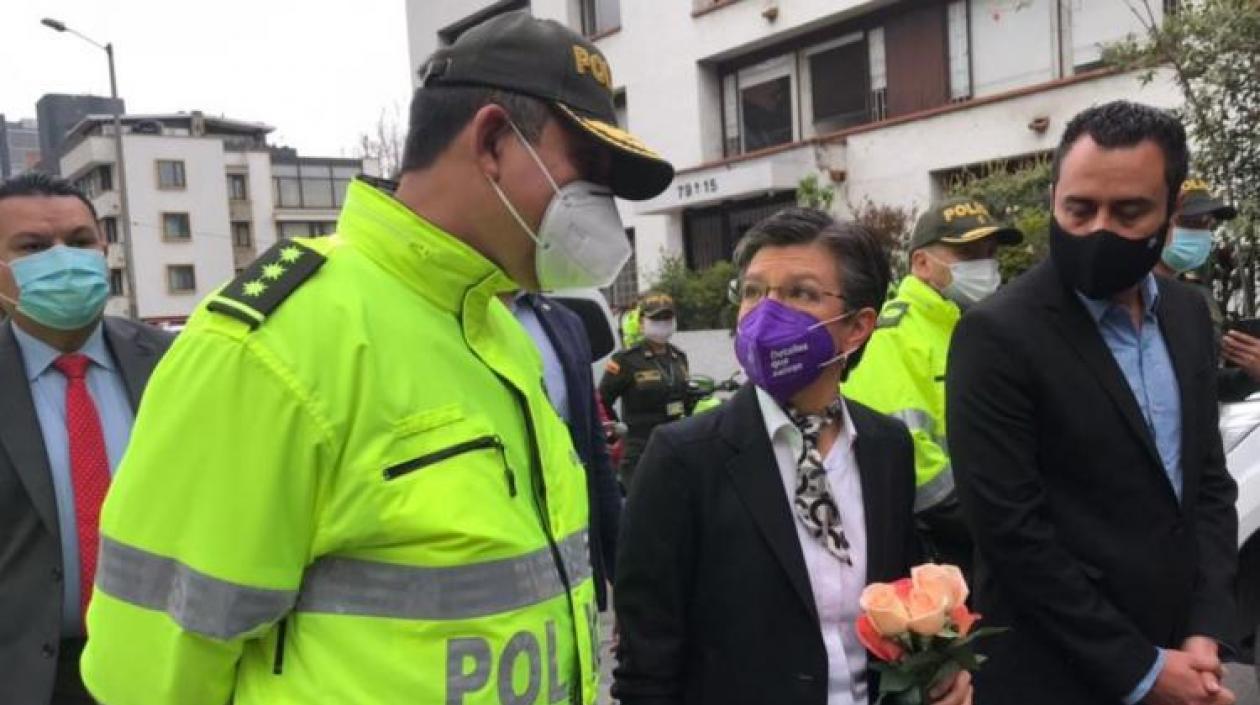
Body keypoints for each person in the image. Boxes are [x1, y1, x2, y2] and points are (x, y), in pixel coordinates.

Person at [80, 11, 674, 705]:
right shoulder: (271, 346)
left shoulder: (497, 332)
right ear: (489, 141)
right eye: (588, 172)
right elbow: (147, 676)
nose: (599, 209)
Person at [613, 208, 972, 705]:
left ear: (858, 327)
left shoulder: (886, 446)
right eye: (755, 291)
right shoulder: (684, 460)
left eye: (800, 293)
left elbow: (899, 606)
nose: (766, 313)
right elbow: (645, 669)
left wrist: (939, 671)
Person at [947, 100, 1239, 705]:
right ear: (1054, 195)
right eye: (1079, 209)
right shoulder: (997, 334)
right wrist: (1141, 670)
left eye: (1129, 211)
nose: (1098, 229)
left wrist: (1207, 628)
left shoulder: (1185, 315)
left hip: (1183, 657)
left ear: (1169, 208)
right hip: (1054, 672)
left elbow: (1207, 484)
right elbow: (1012, 534)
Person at [0, 172, 174, 705]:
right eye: (33, 247)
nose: (63, 259)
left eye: (79, 242)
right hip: (24, 678)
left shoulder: (178, 365)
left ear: (104, 249)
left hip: (167, 668)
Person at [844, 196, 1022, 574]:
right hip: (942, 545)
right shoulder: (894, 335)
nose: (985, 266)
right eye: (969, 253)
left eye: (990, 253)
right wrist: (999, 520)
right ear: (922, 263)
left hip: (989, 528)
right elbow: (912, 463)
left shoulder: (969, 326)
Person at [510, 291, 622, 611]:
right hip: (495, 577)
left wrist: (626, 578)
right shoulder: (441, 316)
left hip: (568, 577)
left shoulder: (565, 323)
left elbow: (593, 452)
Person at [1155, 178, 1260, 402]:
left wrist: (1251, 372)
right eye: (1191, 222)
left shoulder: (1195, 298)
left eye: (1208, 225)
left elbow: (1205, 384)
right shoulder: (1126, 296)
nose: (1202, 234)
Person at [598, 292, 691, 488]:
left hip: (674, 448)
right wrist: (615, 431)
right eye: (656, 318)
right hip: (639, 451)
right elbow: (601, 399)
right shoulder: (626, 359)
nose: (663, 323)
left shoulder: (679, 358)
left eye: (667, 318)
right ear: (642, 323)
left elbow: (686, 400)